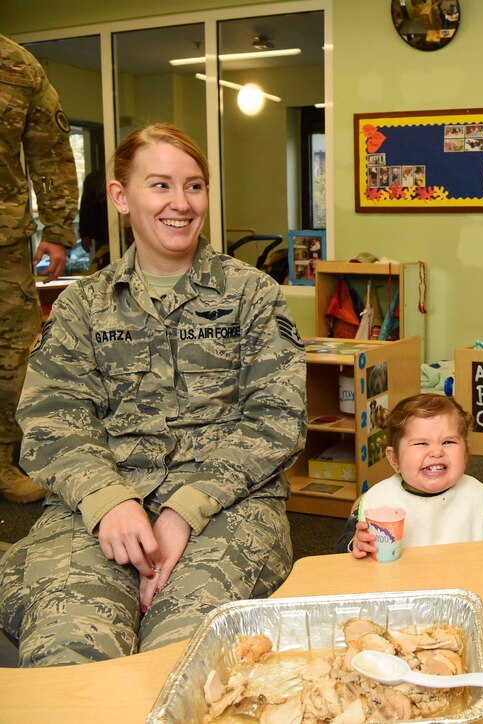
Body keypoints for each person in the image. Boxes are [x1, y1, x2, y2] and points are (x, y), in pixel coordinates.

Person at [0, 123, 308, 667]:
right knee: (70, 642)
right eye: (161, 185)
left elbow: (276, 421)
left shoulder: (252, 295)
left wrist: (185, 510)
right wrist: (109, 503)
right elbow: (53, 421)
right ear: (121, 196)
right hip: (94, 509)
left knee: (188, 649)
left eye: (195, 186)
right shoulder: (82, 306)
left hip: (228, 508)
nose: (182, 204)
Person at [0, 34, 79, 504]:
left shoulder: (16, 66)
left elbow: (49, 150)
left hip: (5, 241)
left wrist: (58, 226)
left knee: (14, 357)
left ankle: (6, 461)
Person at [337, 394, 483, 556]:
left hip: (464, 584)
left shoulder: (474, 496)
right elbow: (340, 551)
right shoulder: (379, 501)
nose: (436, 452)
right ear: (394, 459)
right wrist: (356, 544)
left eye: (448, 442)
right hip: (399, 586)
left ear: (466, 453)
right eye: (421, 443)